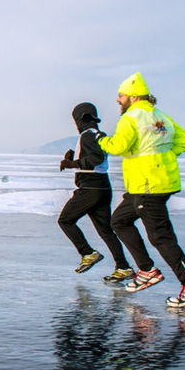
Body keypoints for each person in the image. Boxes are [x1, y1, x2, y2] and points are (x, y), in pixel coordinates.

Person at [99, 72, 185, 308]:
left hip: (148, 186)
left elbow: (117, 146)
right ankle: (147, 270)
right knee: (119, 221)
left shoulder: (131, 118)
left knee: (161, 237)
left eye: (121, 95)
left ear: (133, 96)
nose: (118, 100)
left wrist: (100, 140)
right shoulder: (160, 116)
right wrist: (163, 157)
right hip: (154, 183)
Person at [57, 102, 132, 283]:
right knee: (106, 231)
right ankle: (123, 267)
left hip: (90, 187)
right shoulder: (99, 135)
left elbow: (95, 159)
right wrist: (74, 158)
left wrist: (71, 164)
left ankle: (88, 253)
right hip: (102, 186)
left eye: (76, 119)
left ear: (81, 119)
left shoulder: (87, 136)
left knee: (65, 220)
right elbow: (93, 157)